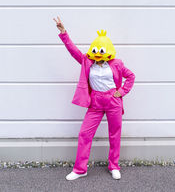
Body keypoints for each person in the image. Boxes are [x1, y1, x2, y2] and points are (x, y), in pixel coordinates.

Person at [53, 16, 135, 180]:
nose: (98, 54)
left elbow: (131, 76)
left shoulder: (116, 64)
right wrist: (63, 32)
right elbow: (73, 50)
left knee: (114, 134)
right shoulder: (86, 61)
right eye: (96, 50)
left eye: (102, 51)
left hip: (113, 101)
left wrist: (122, 91)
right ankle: (80, 169)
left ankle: (114, 165)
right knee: (84, 134)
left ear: (108, 50)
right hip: (96, 102)